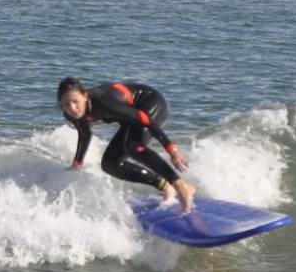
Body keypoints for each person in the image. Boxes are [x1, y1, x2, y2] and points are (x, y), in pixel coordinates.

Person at [58, 76, 197, 211]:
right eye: (66, 104)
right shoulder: (71, 114)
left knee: (134, 147)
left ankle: (181, 185)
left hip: (151, 104)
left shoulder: (103, 102)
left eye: (75, 101)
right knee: (110, 164)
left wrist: (172, 149)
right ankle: (166, 186)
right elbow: (84, 133)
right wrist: (77, 163)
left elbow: (144, 120)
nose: (72, 108)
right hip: (130, 118)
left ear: (85, 96)